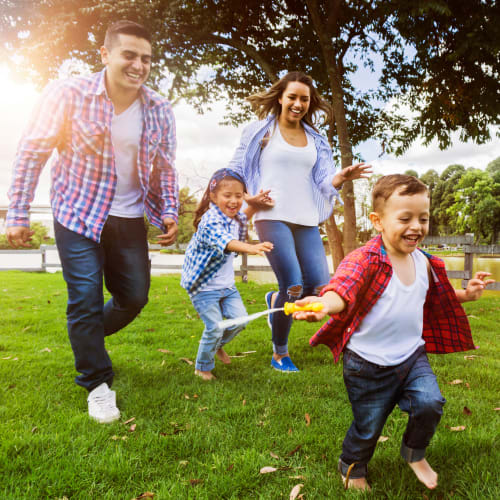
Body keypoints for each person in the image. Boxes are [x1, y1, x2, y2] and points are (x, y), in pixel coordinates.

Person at [5, 20, 179, 423]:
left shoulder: (159, 108)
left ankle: (85, 339)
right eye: (130, 55)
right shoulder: (68, 93)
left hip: (130, 216)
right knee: (83, 297)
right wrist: (18, 210)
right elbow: (32, 151)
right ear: (105, 54)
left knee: (133, 297)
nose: (139, 65)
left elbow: (165, 168)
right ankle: (97, 382)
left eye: (147, 59)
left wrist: (168, 208)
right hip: (78, 213)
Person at [293, 174, 495, 491]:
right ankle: (352, 466)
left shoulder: (426, 263)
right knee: (368, 426)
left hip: (411, 357)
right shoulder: (365, 259)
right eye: (405, 218)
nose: (416, 226)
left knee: (430, 403)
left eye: (423, 218)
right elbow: (342, 289)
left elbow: (436, 295)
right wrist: (324, 304)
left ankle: (414, 453)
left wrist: (466, 295)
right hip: (366, 365)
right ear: (378, 221)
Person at [227, 71, 372, 372]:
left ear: (310, 102)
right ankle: (280, 352)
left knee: (320, 287)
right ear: (280, 97)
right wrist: (246, 200)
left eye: (304, 99)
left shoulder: (317, 139)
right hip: (271, 215)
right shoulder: (260, 132)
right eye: (292, 97)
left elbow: (323, 180)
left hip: (306, 216)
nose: (298, 103)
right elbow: (236, 168)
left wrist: (341, 177)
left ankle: (274, 301)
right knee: (293, 285)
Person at [181, 168, 273, 380]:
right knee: (213, 327)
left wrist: (253, 204)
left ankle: (214, 344)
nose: (234, 201)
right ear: (213, 197)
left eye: (238, 196)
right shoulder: (210, 220)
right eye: (227, 196)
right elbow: (226, 242)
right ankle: (202, 368)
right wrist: (250, 247)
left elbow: (243, 216)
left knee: (240, 321)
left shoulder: (233, 217)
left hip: (227, 287)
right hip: (203, 287)